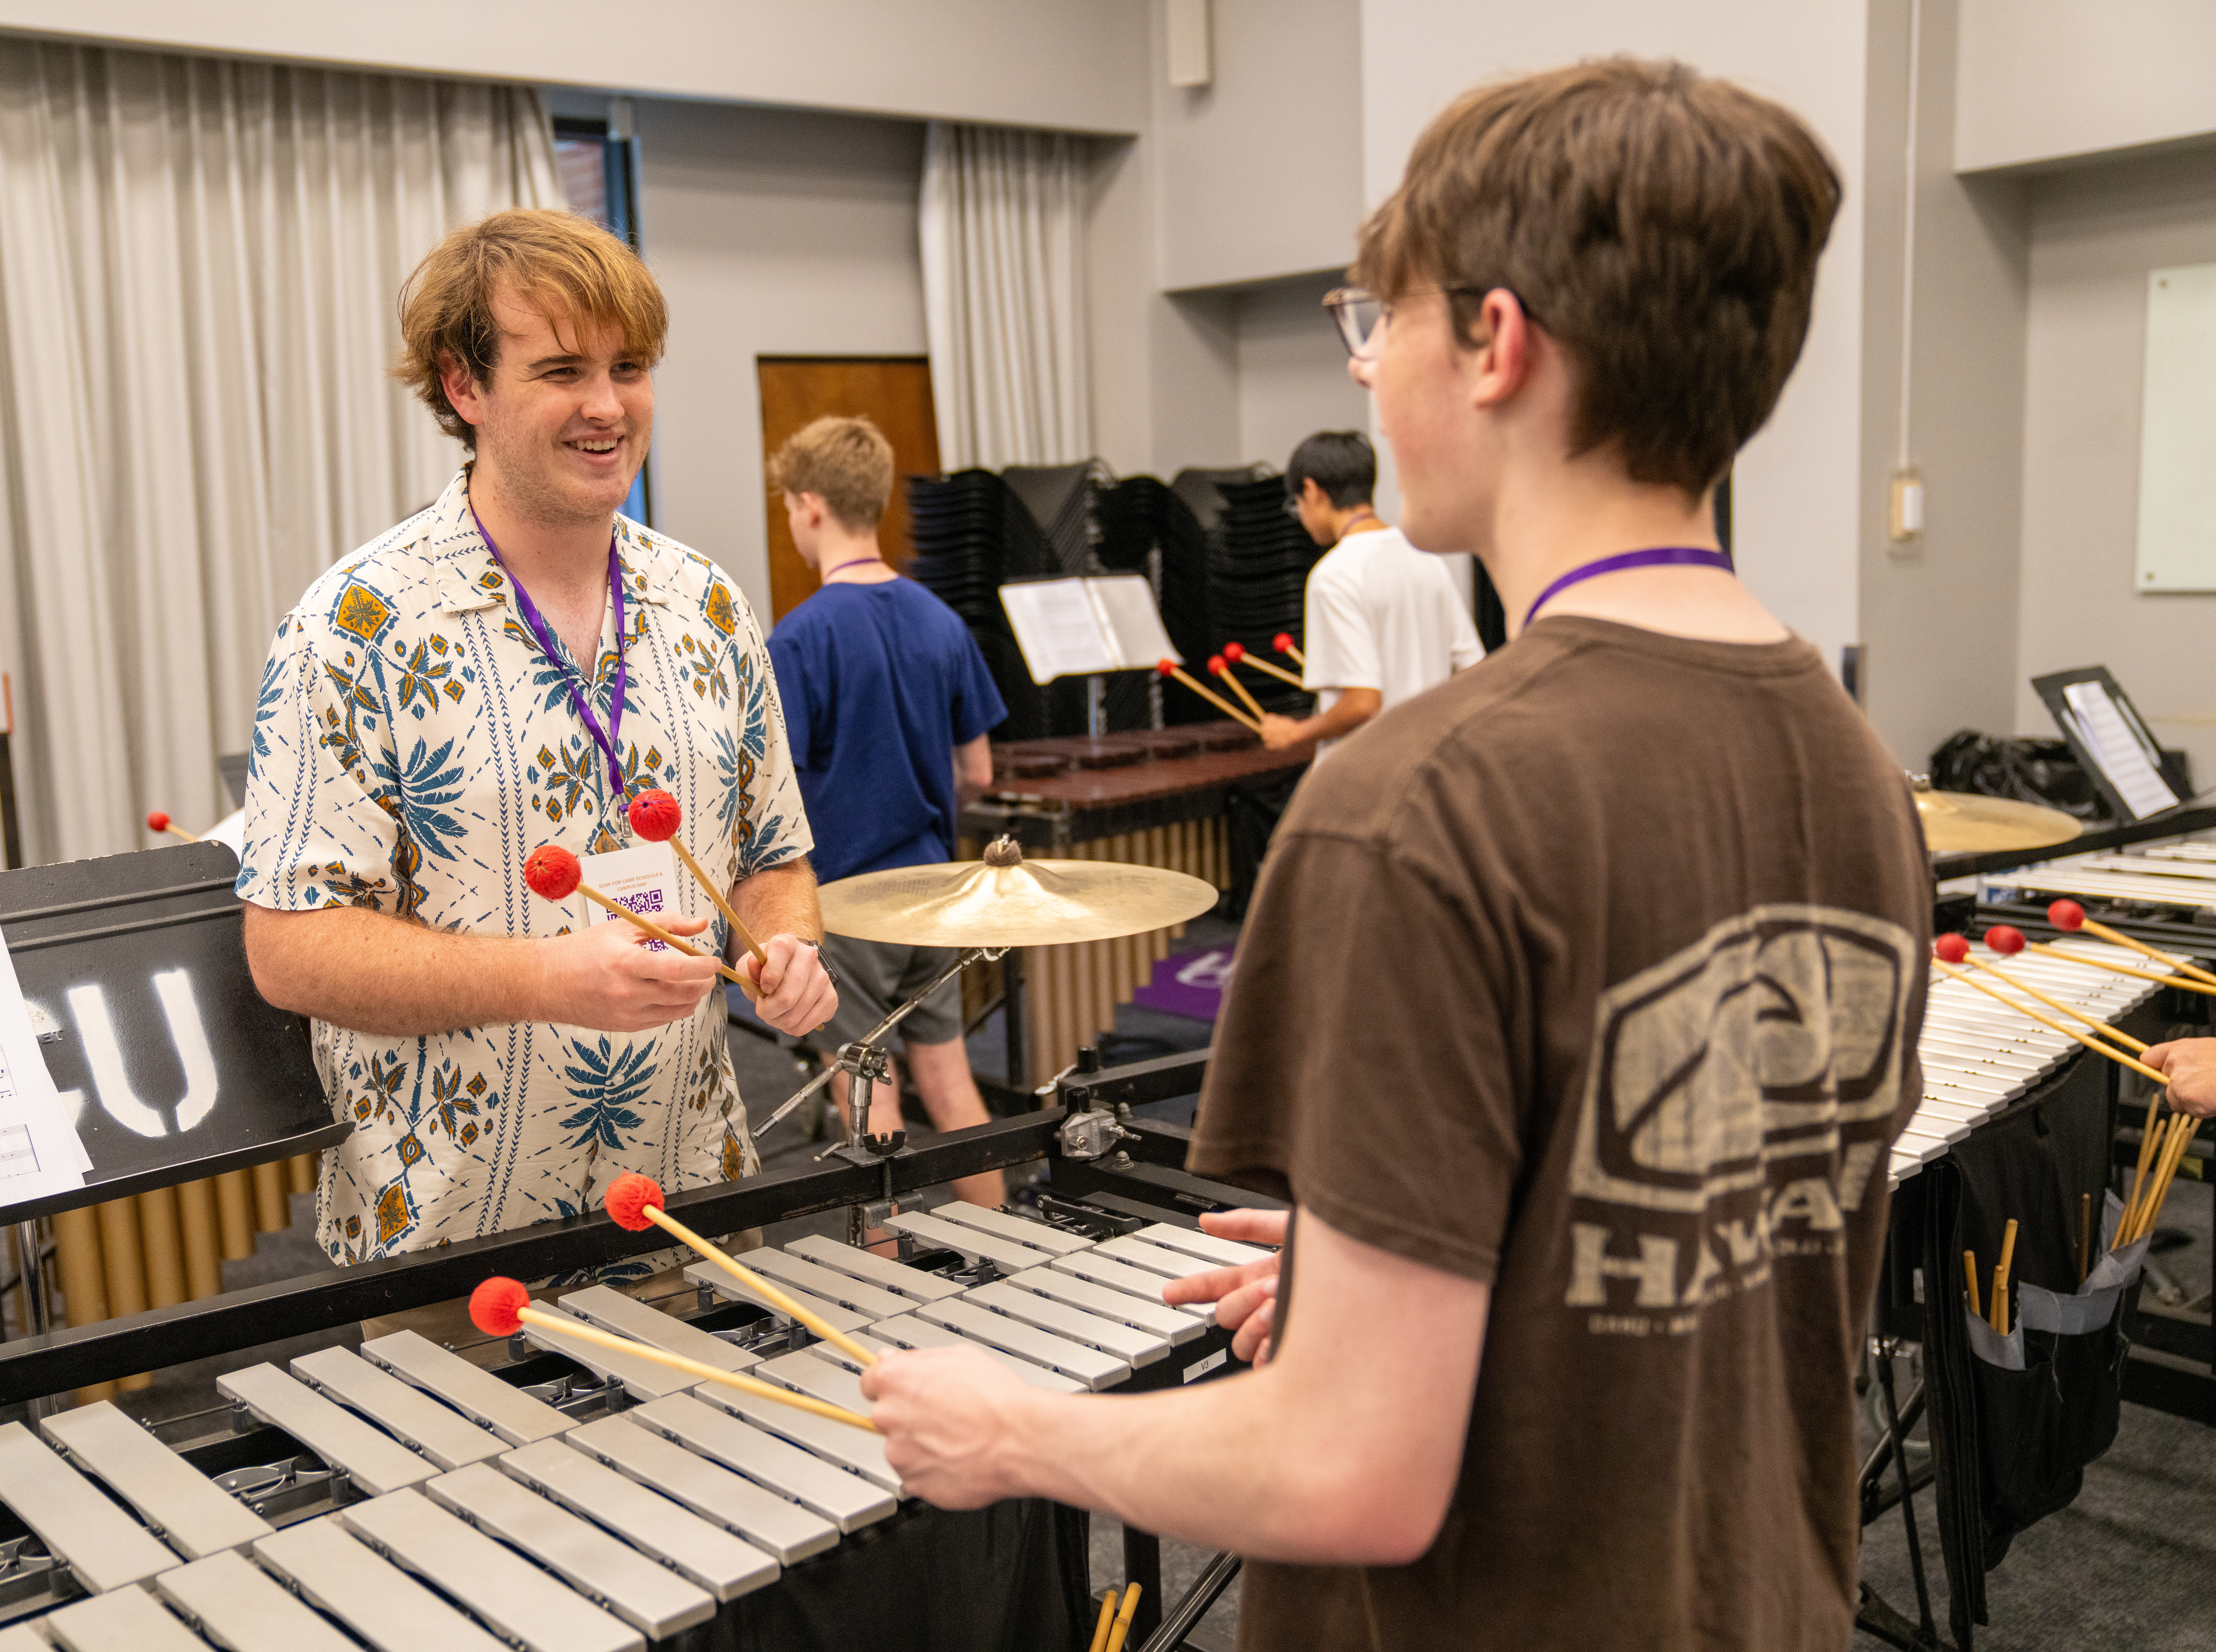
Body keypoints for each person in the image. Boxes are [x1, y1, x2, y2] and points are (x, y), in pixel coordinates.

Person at [865, 59, 1928, 1652]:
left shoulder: (1418, 802)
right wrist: (1420, 1251)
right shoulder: (1852, 758)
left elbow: (1353, 1473)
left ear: (1495, 342)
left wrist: (1013, 1433)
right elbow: (1718, 1213)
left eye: (1380, 318)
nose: (1366, 374)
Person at [235, 210, 838, 1318]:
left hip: (686, 1209)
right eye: (562, 370)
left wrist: (785, 942)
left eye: (629, 368)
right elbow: (292, 946)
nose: (607, 406)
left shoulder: (708, 606)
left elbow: (773, 858)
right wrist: (547, 978)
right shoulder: (354, 629)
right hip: (454, 1251)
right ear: (466, 387)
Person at [764, 416, 1009, 1208]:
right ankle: (1018, 1253)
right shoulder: (942, 621)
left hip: (852, 901)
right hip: (937, 894)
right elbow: (977, 769)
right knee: (950, 1081)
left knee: (870, 1099)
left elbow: (780, 795)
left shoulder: (800, 640)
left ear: (808, 507)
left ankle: (887, 1268)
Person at [1259, 430, 1482, 757]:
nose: (1302, 518)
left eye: (1298, 505)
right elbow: (1474, 672)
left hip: (1367, 775)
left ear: (1312, 490)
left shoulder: (1334, 575)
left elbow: (1363, 704)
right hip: (1429, 767)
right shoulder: (1427, 560)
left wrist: (1296, 733)